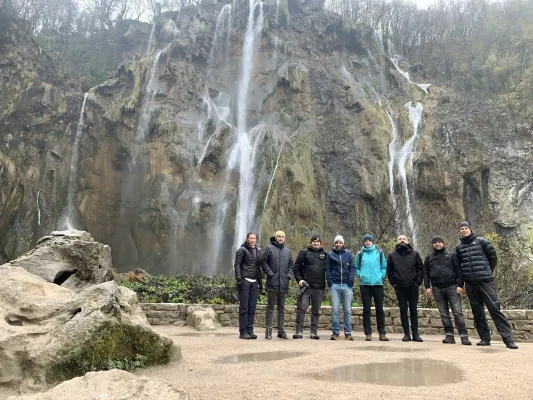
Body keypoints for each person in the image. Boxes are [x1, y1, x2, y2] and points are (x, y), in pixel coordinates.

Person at [455, 221, 518, 349]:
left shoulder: (482, 241)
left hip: (485, 281)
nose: (464, 230)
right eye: (462, 229)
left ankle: (508, 339)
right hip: (470, 283)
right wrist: (460, 284)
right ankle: (484, 338)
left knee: (494, 309)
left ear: (470, 229)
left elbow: (493, 258)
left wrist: (487, 272)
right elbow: (459, 269)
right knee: (477, 312)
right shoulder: (459, 248)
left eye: (466, 228)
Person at [423, 235, 471, 345]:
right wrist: (427, 287)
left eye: (439, 242)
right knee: (444, 314)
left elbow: (459, 270)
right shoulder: (429, 257)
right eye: (435, 242)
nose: (437, 244)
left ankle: (464, 336)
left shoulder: (451, 255)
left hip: (452, 287)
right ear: (432, 244)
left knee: (457, 312)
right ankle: (449, 335)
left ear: (443, 243)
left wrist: (460, 285)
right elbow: (425, 272)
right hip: (436, 288)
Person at [387, 234, 424, 342]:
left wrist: (418, 282)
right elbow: (389, 270)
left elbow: (420, 268)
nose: (402, 241)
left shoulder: (415, 253)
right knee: (403, 310)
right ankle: (406, 334)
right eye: (400, 239)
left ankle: (415, 334)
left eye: (404, 239)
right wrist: (393, 283)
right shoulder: (392, 255)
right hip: (399, 287)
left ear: (407, 241)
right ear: (397, 241)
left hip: (413, 286)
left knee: (413, 310)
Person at [261, 230, 294, 340]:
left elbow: (291, 266)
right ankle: (268, 330)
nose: (280, 238)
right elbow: (263, 262)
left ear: (284, 238)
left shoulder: (287, 251)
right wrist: (270, 274)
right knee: (270, 307)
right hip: (272, 283)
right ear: (275, 238)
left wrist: (288, 276)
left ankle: (281, 330)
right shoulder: (269, 249)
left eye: (282, 237)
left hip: (283, 284)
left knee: (281, 308)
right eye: (278, 236)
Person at [355, 234, 388, 341]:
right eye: (366, 241)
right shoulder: (360, 254)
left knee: (380, 309)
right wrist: (361, 275)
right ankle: (368, 333)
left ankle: (382, 333)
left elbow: (384, 266)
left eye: (369, 240)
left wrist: (381, 276)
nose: (368, 242)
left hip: (377, 284)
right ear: (363, 242)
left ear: (372, 242)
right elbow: (356, 267)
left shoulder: (379, 253)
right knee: (366, 310)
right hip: (365, 285)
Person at [293, 235, 327, 340]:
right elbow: (296, 268)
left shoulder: (325, 254)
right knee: (301, 309)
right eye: (314, 241)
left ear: (320, 243)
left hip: (319, 287)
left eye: (317, 242)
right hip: (306, 286)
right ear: (311, 242)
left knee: (316, 310)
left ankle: (314, 332)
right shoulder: (304, 253)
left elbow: (329, 270)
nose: (316, 243)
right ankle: (299, 331)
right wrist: (299, 280)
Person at [325, 235, 355, 340]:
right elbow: (327, 269)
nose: (338, 244)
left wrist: (350, 282)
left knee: (347, 310)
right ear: (334, 244)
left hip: (347, 285)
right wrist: (330, 283)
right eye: (337, 242)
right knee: (335, 310)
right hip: (335, 286)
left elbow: (352, 268)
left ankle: (348, 332)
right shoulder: (330, 255)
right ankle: (335, 332)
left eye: (340, 242)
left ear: (343, 243)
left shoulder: (348, 254)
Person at [234, 232, 262, 340]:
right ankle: (243, 331)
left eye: (254, 238)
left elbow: (258, 268)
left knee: (252, 307)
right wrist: (239, 279)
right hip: (245, 280)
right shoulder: (242, 250)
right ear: (247, 239)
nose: (253, 240)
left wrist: (260, 283)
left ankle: (250, 330)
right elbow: (237, 264)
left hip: (254, 281)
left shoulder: (258, 251)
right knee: (244, 307)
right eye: (251, 238)